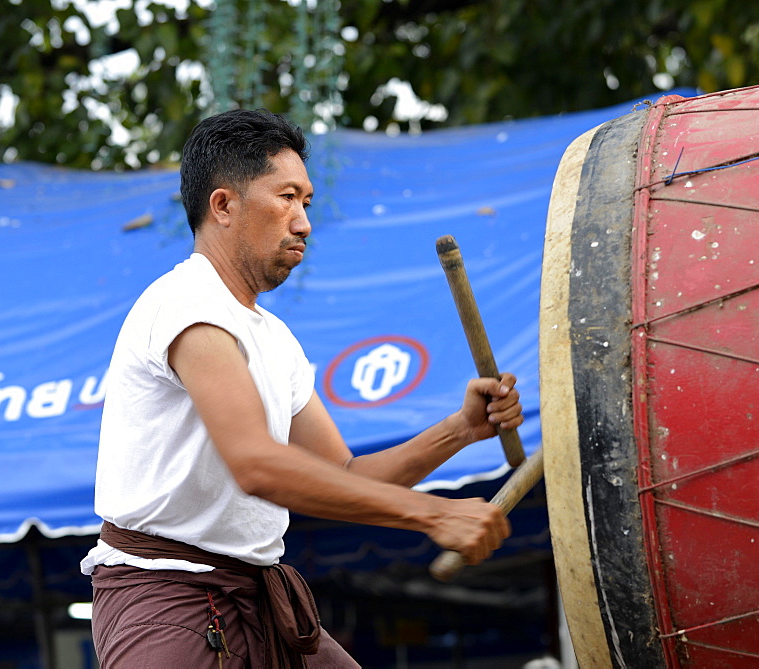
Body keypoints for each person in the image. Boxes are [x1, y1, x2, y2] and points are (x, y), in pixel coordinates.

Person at [80, 108, 524, 668]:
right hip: (166, 596)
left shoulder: (275, 338)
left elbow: (344, 478)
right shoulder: (187, 304)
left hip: (258, 596)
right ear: (224, 205)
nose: (303, 222)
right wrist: (431, 513)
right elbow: (257, 465)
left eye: (306, 202)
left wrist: (460, 430)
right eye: (286, 197)